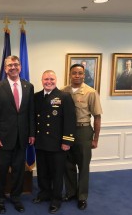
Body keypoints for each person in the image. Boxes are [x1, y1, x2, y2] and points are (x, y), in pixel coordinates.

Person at [0, 55, 35, 214]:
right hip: (2, 139)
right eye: (9, 65)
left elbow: (30, 113)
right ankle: (0, 199)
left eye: (16, 64)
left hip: (22, 138)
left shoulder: (28, 86)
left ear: (20, 67)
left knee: (18, 171)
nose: (13, 67)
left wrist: (31, 133)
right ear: (5, 68)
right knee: (0, 171)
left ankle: (16, 197)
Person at [32, 70, 76, 213]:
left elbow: (70, 120)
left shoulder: (64, 96)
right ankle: (44, 193)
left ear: (56, 80)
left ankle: (56, 199)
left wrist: (67, 141)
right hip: (41, 142)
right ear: (42, 80)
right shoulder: (36, 97)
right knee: (43, 171)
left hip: (57, 144)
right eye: (46, 79)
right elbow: (33, 119)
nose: (48, 82)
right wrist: (32, 135)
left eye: (51, 79)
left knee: (57, 173)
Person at [62, 64, 102, 210]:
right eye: (74, 73)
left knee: (83, 165)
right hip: (66, 131)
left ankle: (82, 196)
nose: (77, 76)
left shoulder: (91, 92)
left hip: (83, 130)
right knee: (67, 164)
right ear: (70, 74)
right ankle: (71, 192)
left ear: (84, 75)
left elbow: (97, 117)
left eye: (80, 73)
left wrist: (96, 138)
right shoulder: (63, 91)